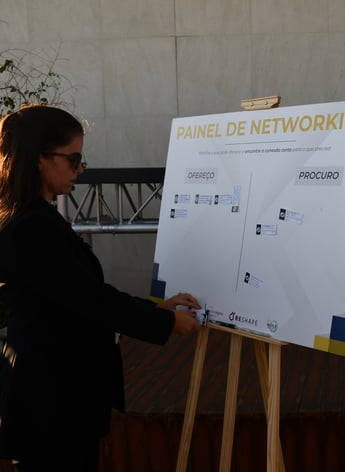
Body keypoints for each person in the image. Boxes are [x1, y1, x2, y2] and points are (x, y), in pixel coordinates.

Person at [0, 105, 202, 471]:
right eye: (73, 159)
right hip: (51, 403)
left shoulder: (35, 219)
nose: (79, 169)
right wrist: (165, 322)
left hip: (57, 399)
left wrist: (156, 310)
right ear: (40, 159)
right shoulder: (32, 227)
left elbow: (80, 293)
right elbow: (90, 300)